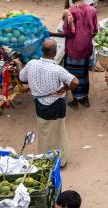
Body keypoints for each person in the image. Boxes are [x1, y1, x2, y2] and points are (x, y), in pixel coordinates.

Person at [21, 40, 77, 168]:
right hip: (56, 104)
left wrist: (19, 64)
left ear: (42, 50)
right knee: (58, 132)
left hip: (39, 104)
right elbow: (75, 82)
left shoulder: (31, 64)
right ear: (55, 52)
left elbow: (22, 77)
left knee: (44, 131)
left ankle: (44, 160)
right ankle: (60, 161)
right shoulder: (57, 69)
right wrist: (65, 89)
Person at [59, 0, 97, 109]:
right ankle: (85, 98)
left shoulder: (71, 11)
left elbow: (68, 32)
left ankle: (76, 99)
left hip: (74, 47)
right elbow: (95, 29)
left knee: (73, 74)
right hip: (86, 46)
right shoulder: (92, 10)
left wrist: (65, 16)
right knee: (84, 73)